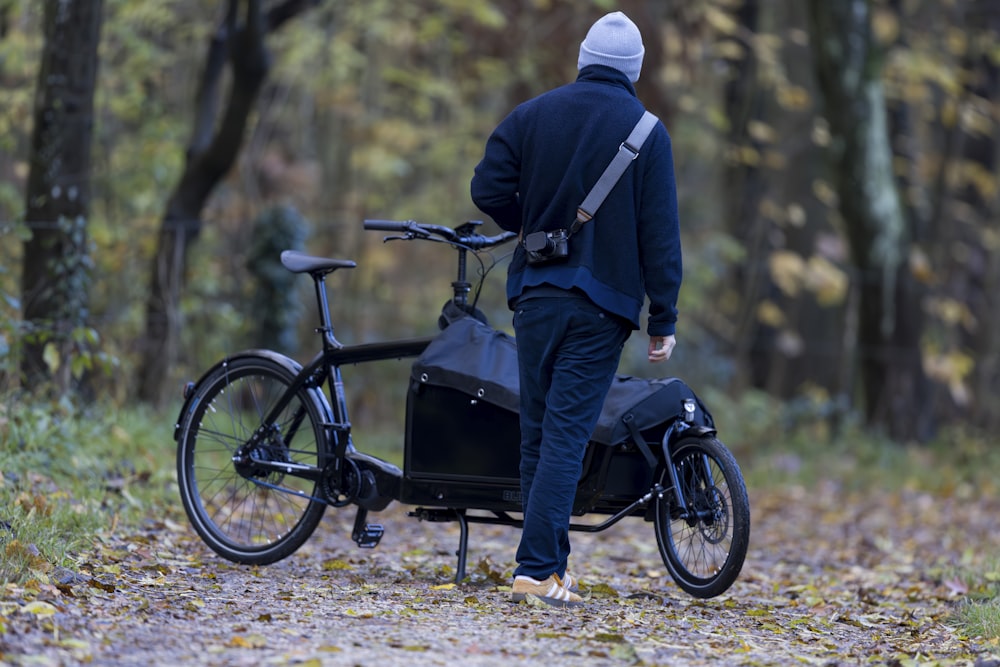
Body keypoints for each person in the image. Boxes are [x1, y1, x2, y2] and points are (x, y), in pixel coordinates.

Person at [470, 11, 683, 607]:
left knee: (538, 435)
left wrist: (532, 226)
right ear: (634, 71)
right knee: (565, 436)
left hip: (536, 296)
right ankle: (536, 571)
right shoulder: (646, 132)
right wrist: (661, 318)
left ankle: (552, 569)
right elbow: (659, 234)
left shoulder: (533, 114)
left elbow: (486, 188)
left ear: (584, 59)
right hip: (601, 307)